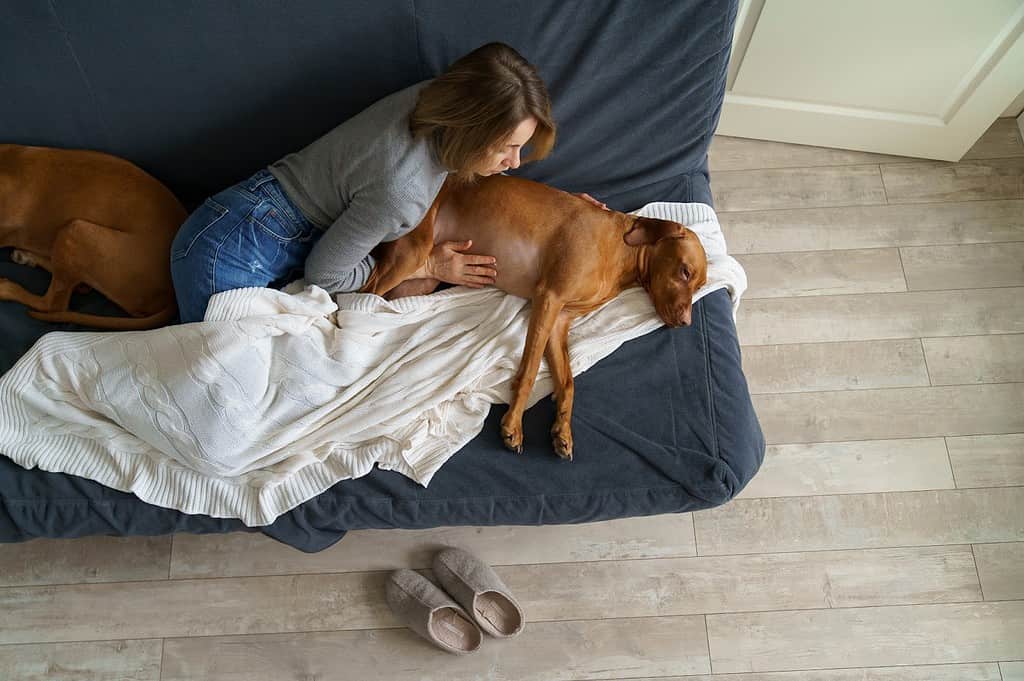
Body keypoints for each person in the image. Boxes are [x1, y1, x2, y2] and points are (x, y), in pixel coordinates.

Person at [170, 42, 605, 323]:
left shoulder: (441, 96)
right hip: (229, 251)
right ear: (470, 130)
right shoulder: (403, 189)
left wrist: (566, 213)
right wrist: (427, 265)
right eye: (506, 148)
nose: (514, 163)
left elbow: (474, 172)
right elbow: (325, 276)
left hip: (249, 217)